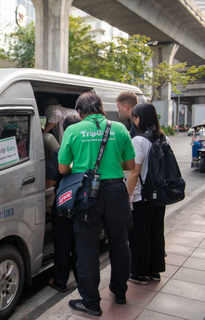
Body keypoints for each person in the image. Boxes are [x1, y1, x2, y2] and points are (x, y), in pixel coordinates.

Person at [58, 92, 135, 316]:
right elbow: (130, 165)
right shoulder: (120, 129)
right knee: (120, 243)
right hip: (115, 191)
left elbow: (63, 169)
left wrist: (83, 165)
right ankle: (119, 292)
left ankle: (91, 302)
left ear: (80, 112)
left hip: (86, 195)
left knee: (87, 249)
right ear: (101, 108)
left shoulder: (73, 130)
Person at [126, 102, 167, 285]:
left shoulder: (139, 140)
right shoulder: (163, 138)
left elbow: (135, 172)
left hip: (142, 195)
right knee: (156, 232)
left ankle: (139, 273)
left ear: (138, 118)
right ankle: (154, 270)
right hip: (159, 195)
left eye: (134, 117)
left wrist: (128, 196)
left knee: (139, 234)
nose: (133, 121)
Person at [46, 115, 81, 293]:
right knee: (80, 245)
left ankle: (60, 281)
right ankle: (82, 281)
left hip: (64, 205)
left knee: (62, 244)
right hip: (83, 204)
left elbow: (51, 181)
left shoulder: (61, 151)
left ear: (65, 130)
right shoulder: (88, 149)